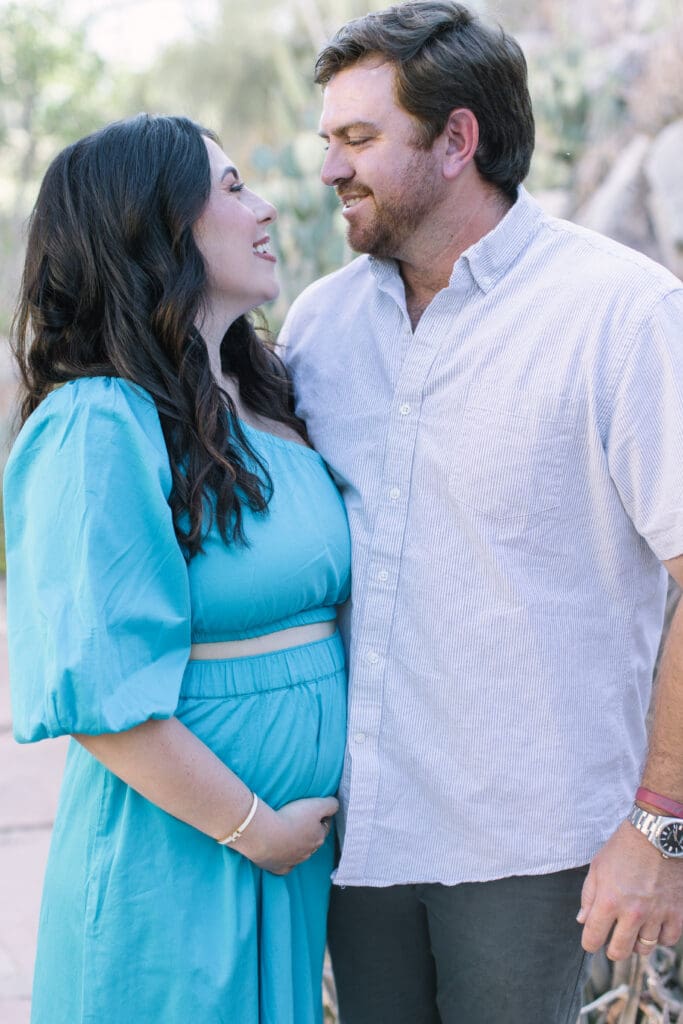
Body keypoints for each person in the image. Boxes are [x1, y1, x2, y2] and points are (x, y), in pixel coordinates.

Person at [278, 2, 683, 1022]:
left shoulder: (620, 312)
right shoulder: (319, 325)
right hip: (355, 839)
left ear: (457, 139)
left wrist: (660, 821)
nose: (330, 168)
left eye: (359, 139)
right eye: (328, 141)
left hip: (531, 848)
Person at [4, 113, 350, 1024]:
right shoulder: (97, 424)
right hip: (181, 855)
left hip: (289, 859)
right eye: (232, 188)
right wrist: (256, 829)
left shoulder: (263, 391)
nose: (268, 205)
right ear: (154, 228)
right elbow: (100, 698)